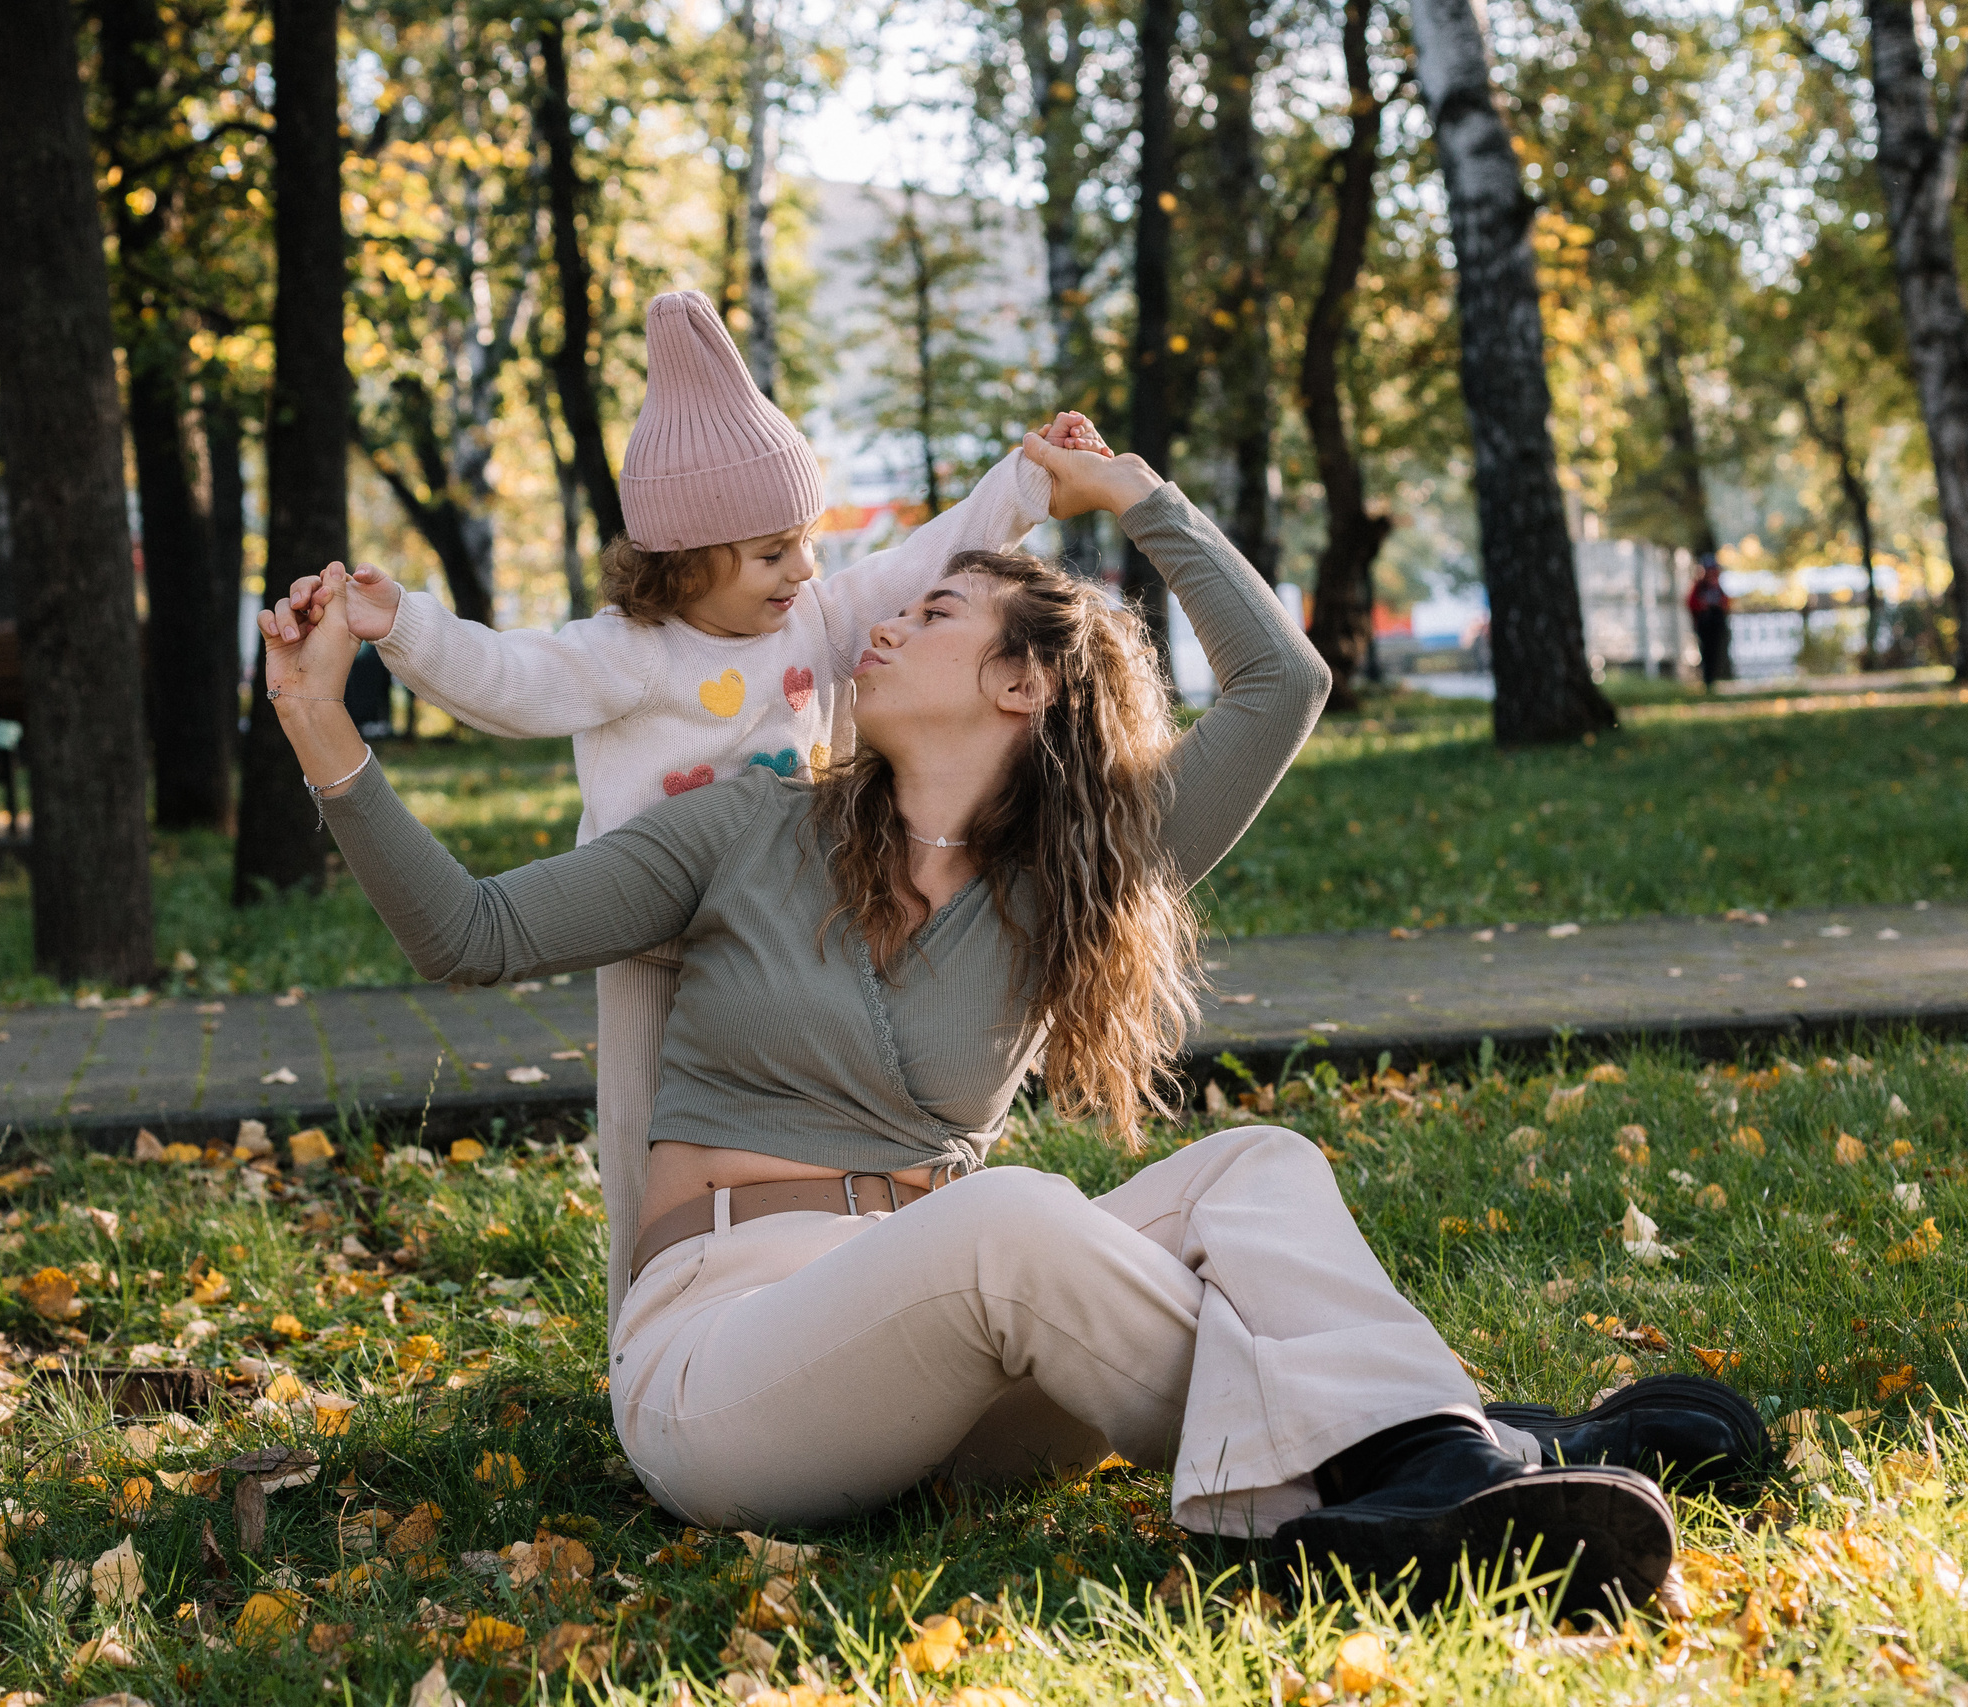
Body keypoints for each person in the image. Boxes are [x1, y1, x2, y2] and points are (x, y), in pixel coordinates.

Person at [260, 441, 1755, 1615]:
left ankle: (1423, 1482)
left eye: (933, 610)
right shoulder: (734, 834)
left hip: (980, 1360)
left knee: (1259, 1161)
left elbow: (1279, 681)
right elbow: (471, 933)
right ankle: (1473, 1450)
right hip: (727, 1356)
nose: (877, 619)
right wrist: (326, 722)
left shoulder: (1063, 876)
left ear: (1023, 683)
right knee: (1016, 1216)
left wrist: (1143, 499)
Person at [288, 288, 1106, 1334]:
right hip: (651, 925)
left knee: (792, 1118)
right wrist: (400, 623)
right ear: (683, 559)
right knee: (645, 1134)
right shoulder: (624, 653)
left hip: (779, 919)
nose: (803, 569)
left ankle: (835, 1284)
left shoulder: (811, 611)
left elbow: (924, 558)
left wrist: (1027, 474)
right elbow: (505, 677)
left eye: (804, 541)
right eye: (772, 552)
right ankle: (650, 1325)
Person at [1687, 556, 1730, 688]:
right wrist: (1703, 606)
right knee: (1706, 651)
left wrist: (1720, 606)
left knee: (1716, 651)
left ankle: (1714, 677)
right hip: (1704, 623)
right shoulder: (1699, 587)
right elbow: (1691, 603)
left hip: (1717, 623)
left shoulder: (1719, 587)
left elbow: (1726, 604)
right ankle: (1708, 679)